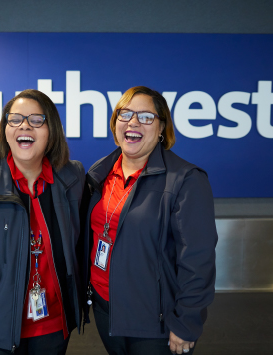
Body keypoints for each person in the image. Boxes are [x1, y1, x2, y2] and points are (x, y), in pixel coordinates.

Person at [0, 89, 86, 355]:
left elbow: (80, 247)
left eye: (36, 119)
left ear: (51, 131)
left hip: (56, 327)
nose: (25, 125)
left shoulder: (73, 179)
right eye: (15, 119)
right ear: (5, 130)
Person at [83, 86, 218, 355]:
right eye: (125, 114)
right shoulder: (99, 174)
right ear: (115, 124)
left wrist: (186, 321)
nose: (133, 122)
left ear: (161, 129)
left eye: (145, 117)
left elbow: (198, 260)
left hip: (154, 321)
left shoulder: (186, 180)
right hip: (105, 308)